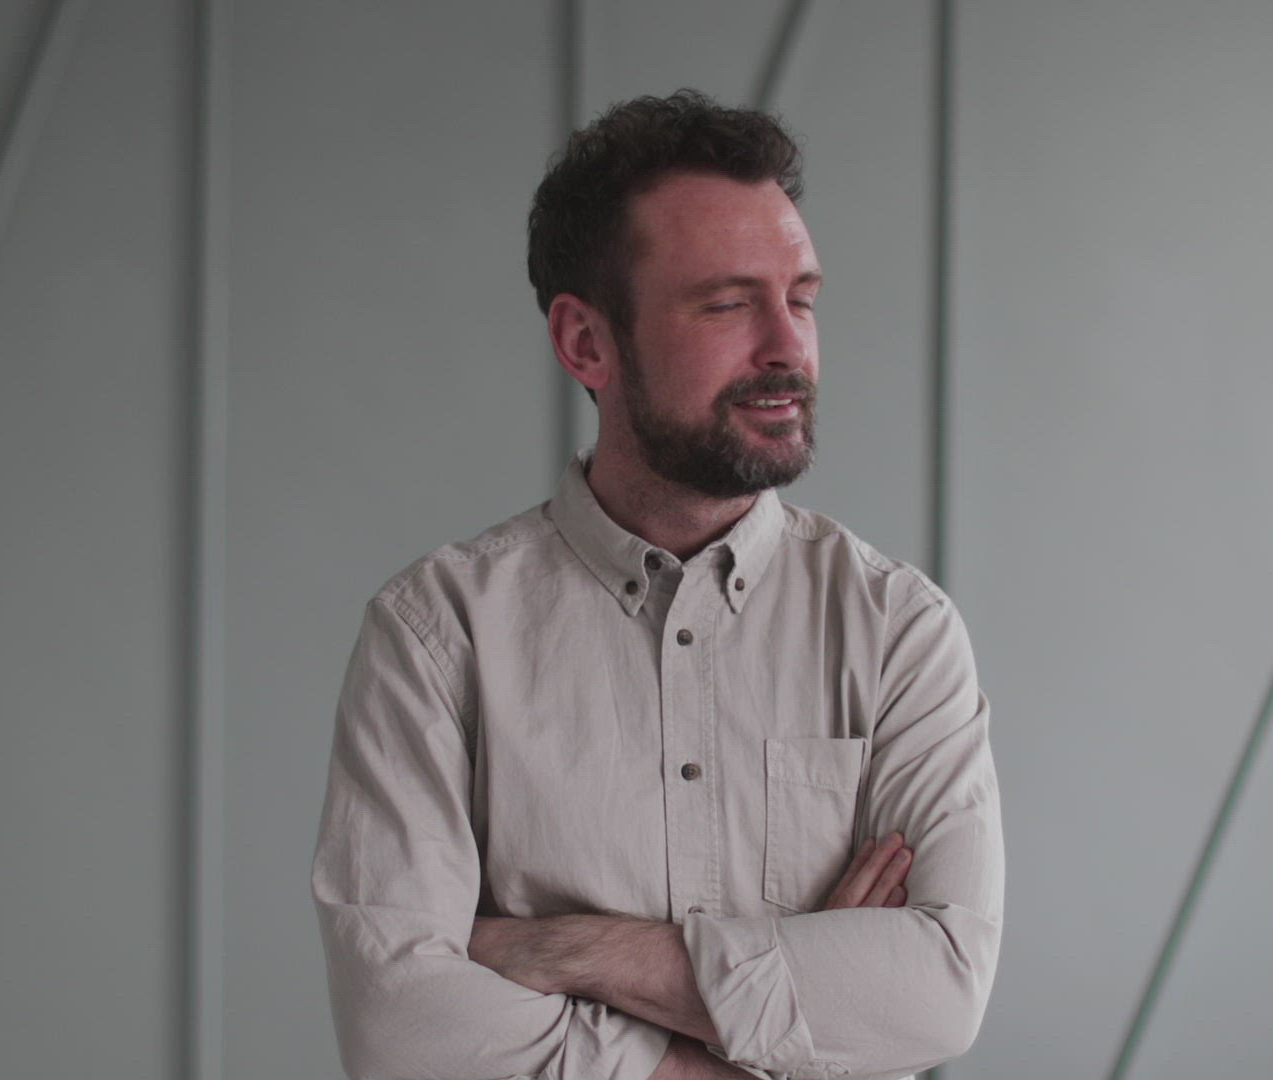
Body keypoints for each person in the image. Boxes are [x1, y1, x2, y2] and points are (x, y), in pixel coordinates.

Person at [313, 89, 1003, 1080]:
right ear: (586, 343)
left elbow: (937, 991)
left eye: (801, 299)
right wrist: (774, 1020)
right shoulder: (435, 638)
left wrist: (577, 951)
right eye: (729, 304)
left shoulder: (898, 632)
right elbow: (402, 1031)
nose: (787, 347)